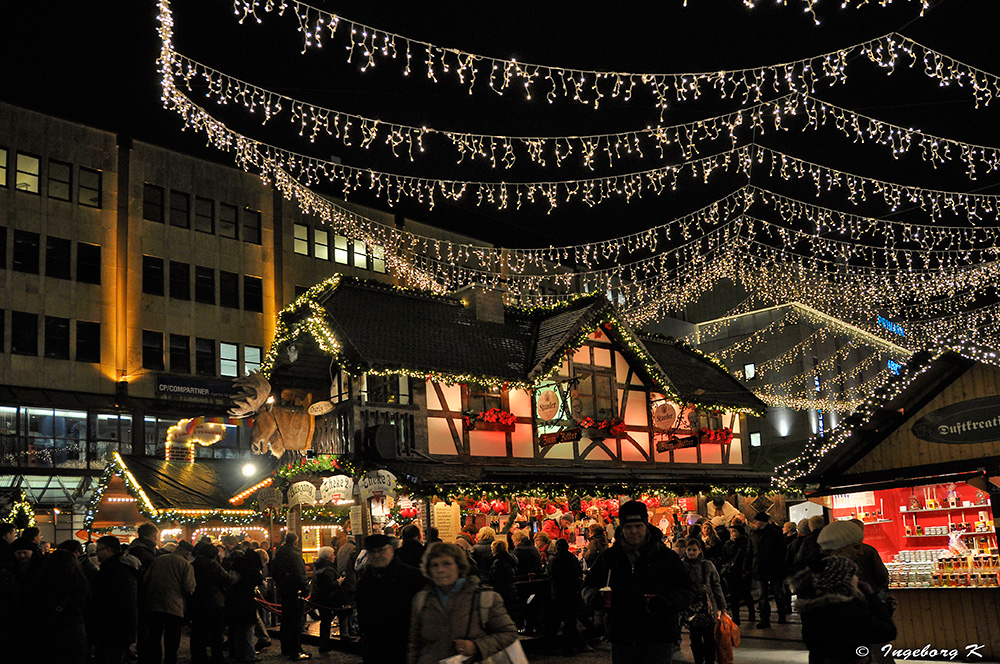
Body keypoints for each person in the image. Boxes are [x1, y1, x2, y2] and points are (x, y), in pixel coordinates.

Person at [582, 500, 694, 664]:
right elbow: (587, 586)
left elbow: (687, 590)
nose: (633, 531)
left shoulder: (666, 557)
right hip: (622, 636)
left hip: (658, 636)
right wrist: (593, 597)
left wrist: (668, 602)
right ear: (622, 528)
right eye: (628, 527)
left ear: (646, 526)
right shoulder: (609, 557)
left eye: (638, 526)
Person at [407, 542, 518, 664]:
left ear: (459, 566)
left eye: (447, 564)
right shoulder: (422, 600)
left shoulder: (484, 598)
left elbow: (509, 633)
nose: (440, 570)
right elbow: (415, 644)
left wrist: (476, 646)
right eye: (434, 565)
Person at [792, 555, 896, 664]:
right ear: (845, 579)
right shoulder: (848, 609)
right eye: (853, 575)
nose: (857, 578)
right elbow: (887, 632)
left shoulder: (813, 606)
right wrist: (872, 597)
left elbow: (811, 641)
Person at [355, 533, 425, 664]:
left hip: (404, 647)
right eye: (372, 552)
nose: (377, 555)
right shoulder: (364, 583)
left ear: (391, 550)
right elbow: (363, 616)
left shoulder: (412, 577)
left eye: (381, 550)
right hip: (375, 649)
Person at [141, 536, 195, 664]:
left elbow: (145, 580)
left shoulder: (159, 560)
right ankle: (170, 660)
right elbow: (189, 587)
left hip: (154, 604)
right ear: (187, 552)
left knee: (154, 636)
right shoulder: (185, 564)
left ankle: (155, 659)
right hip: (174, 606)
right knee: (172, 638)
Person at [91, 536, 140, 664]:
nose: (96, 554)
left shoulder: (111, 570)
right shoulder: (123, 567)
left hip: (112, 626)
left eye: (99, 550)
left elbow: (105, 601)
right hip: (121, 626)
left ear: (109, 550)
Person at [682, 538, 727, 664]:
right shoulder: (682, 565)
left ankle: (709, 660)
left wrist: (722, 606)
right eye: (689, 550)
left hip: (708, 607)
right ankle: (698, 660)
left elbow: (716, 585)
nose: (691, 552)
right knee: (695, 637)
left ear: (700, 551)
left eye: (694, 550)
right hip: (691, 607)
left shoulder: (707, 565)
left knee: (709, 637)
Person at [190, 541, 232, 664]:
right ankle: (217, 656)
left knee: (198, 630)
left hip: (197, 600)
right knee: (216, 631)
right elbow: (226, 579)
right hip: (214, 600)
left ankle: (198, 656)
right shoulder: (214, 565)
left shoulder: (192, 565)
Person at [271, 533, 311, 661]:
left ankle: (286, 648)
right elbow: (301, 574)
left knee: (286, 620)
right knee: (296, 622)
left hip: (284, 590)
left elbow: (274, 572)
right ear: (296, 542)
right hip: (295, 592)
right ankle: (296, 650)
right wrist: (305, 589)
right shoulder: (294, 555)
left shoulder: (279, 554)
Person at [548, 538, 590, 655]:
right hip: (571, 594)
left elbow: (551, 576)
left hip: (558, 594)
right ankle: (568, 647)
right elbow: (578, 574)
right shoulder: (572, 559)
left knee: (555, 622)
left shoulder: (553, 560)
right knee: (570, 622)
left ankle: (549, 646)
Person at [227, 545, 265, 664]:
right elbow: (261, 581)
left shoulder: (237, 566)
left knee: (238, 630)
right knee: (248, 630)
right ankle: (249, 655)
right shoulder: (251, 568)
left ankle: (239, 654)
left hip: (234, 601)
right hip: (247, 601)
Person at [748, 511, 787, 628]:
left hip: (773, 568)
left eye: (756, 520)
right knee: (762, 596)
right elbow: (750, 551)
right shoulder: (753, 534)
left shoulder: (775, 533)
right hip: (759, 568)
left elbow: (782, 551)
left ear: (762, 521)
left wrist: (781, 566)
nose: (754, 522)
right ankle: (764, 619)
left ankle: (782, 615)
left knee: (777, 593)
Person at [311, 546, 344, 653]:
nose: (334, 556)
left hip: (320, 598)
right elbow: (330, 585)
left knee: (325, 621)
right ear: (329, 557)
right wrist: (339, 581)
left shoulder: (318, 567)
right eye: (333, 555)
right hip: (328, 599)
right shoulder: (328, 569)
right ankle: (324, 644)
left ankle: (324, 643)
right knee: (327, 621)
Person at [721, 524, 754, 626]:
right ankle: (736, 618)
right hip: (731, 573)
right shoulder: (728, 543)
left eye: (734, 531)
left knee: (745, 594)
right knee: (734, 596)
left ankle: (751, 613)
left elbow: (747, 557)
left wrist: (746, 570)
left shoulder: (746, 543)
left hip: (742, 572)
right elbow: (725, 556)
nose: (732, 534)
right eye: (731, 532)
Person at [333, 533, 359, 640]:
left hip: (343, 580)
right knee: (350, 607)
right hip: (351, 581)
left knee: (345, 607)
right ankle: (351, 629)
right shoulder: (354, 549)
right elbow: (356, 566)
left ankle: (347, 630)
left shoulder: (342, 549)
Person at [487, 539, 519, 623]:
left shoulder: (498, 562)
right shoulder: (510, 559)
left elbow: (496, 579)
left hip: (503, 592)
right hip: (511, 590)